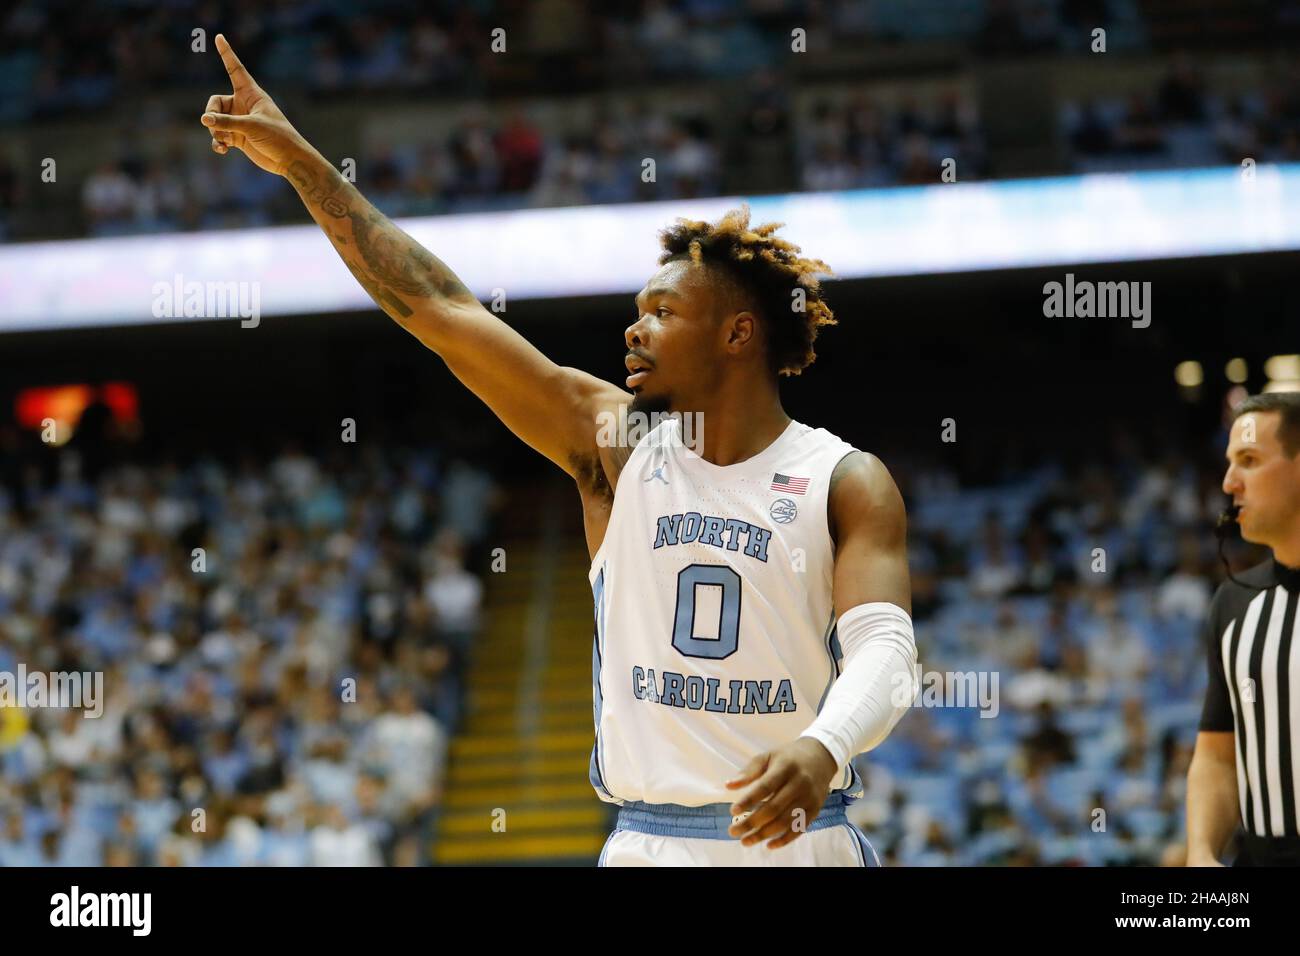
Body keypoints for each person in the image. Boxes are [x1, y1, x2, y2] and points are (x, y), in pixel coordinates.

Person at [199, 34, 919, 866]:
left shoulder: (844, 480)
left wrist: (823, 745)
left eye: (661, 311)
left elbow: (889, 657)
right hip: (653, 841)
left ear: (737, 333)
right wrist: (305, 168)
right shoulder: (612, 442)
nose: (633, 327)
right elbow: (437, 308)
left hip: (805, 840)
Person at [1187, 392, 1300, 866]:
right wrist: (1200, 852)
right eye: (1230, 461)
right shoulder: (1234, 603)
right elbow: (1216, 758)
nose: (1230, 482)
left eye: (1249, 460)